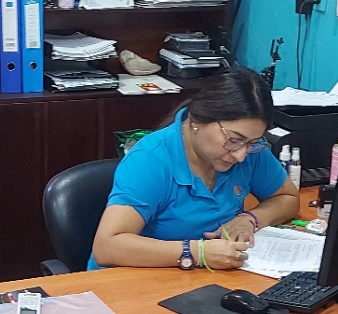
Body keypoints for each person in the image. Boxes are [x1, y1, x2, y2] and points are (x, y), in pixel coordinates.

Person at [91, 67, 300, 270]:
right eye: (234, 140)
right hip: (131, 280)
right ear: (198, 120)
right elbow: (107, 247)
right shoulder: (150, 159)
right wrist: (197, 253)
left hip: (201, 278)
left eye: (252, 143)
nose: (241, 155)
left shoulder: (249, 150)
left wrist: (250, 219)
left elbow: (287, 198)